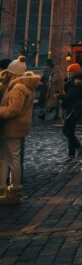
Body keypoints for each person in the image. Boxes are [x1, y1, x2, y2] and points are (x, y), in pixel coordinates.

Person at [0, 58, 41, 204]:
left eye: (9, 73)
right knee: (5, 158)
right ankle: (3, 188)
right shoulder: (19, 86)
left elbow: (13, 110)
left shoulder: (18, 88)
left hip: (14, 127)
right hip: (13, 128)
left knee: (13, 159)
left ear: (13, 73)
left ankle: (15, 190)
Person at [60, 63, 82, 159]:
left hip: (73, 110)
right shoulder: (77, 81)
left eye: (70, 71)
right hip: (74, 110)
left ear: (75, 72)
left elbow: (71, 97)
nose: (68, 73)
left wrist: (60, 97)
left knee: (66, 131)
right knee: (70, 131)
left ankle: (78, 149)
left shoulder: (76, 83)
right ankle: (72, 153)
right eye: (68, 71)